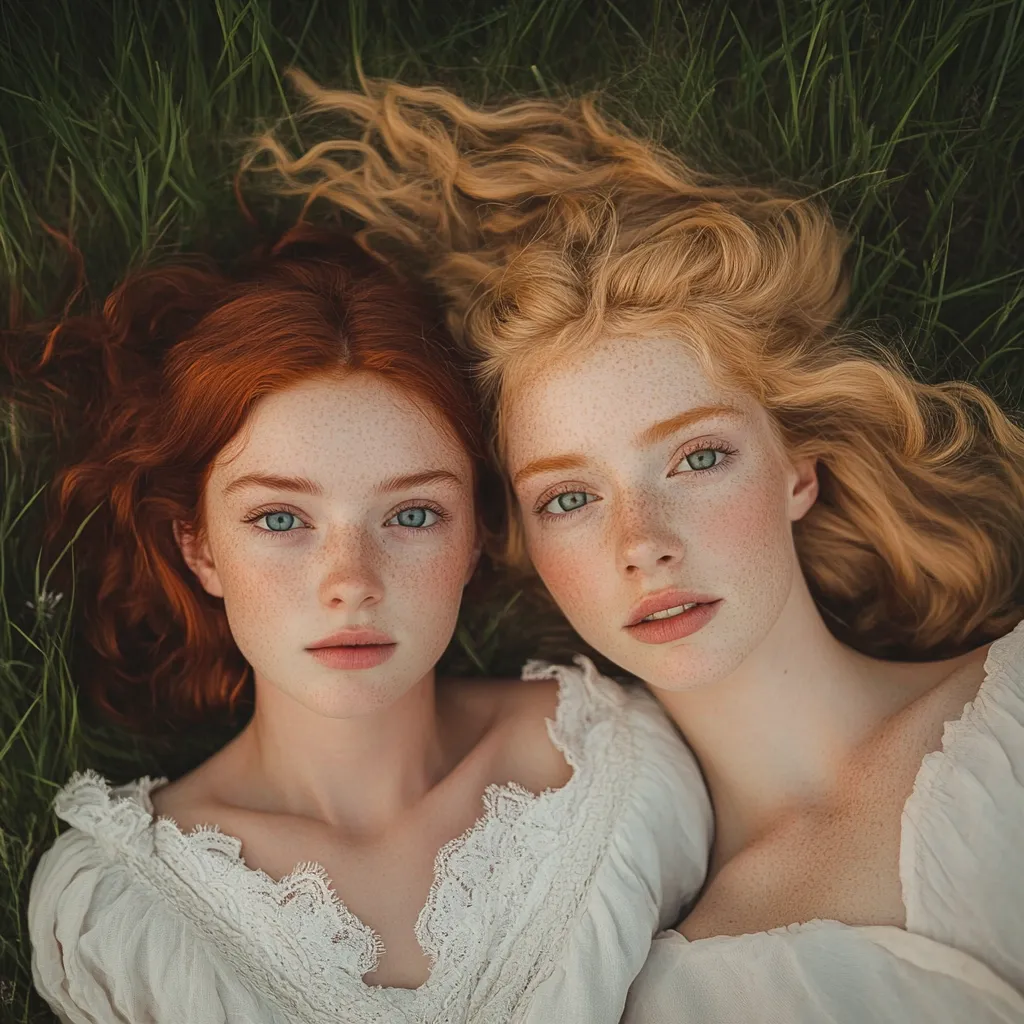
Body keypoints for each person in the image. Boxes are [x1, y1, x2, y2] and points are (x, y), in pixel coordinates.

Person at [251, 75, 1024, 1021]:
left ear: (797, 468)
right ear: (523, 543)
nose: (642, 544)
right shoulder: (671, 994)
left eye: (698, 457)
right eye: (570, 497)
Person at [8, 224, 711, 1024]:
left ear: (477, 535)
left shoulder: (621, 771)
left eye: (413, 514)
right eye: (279, 519)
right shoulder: (121, 911)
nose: (352, 583)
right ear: (199, 550)